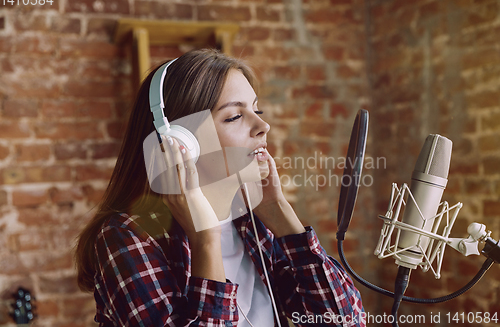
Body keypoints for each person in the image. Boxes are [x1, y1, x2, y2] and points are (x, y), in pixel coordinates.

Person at [75, 49, 365, 327]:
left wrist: (279, 212)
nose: (263, 125)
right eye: (234, 116)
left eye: (256, 109)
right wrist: (206, 240)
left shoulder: (250, 222)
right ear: (178, 143)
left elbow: (346, 322)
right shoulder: (126, 237)